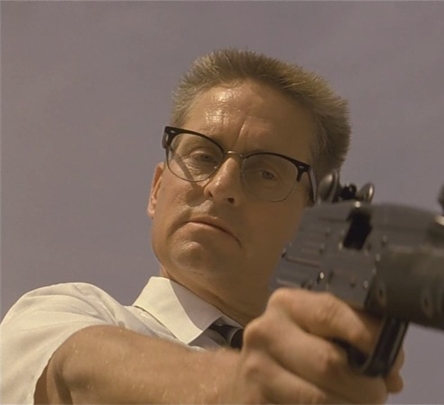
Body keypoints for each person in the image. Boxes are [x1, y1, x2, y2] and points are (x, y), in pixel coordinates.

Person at [1, 48, 404, 404]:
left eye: (265, 172)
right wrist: (244, 386)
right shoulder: (62, 315)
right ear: (157, 189)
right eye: (203, 156)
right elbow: (70, 373)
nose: (221, 185)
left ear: (312, 224)